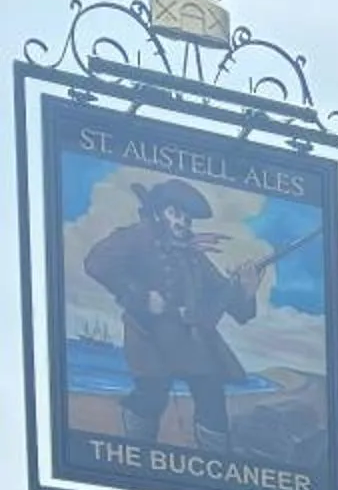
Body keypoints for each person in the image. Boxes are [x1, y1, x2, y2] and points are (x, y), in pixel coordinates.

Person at [83, 180, 262, 450]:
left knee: (212, 394)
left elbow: (229, 301)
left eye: (187, 217)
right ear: (159, 213)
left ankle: (219, 465)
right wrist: (142, 296)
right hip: (149, 335)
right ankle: (136, 455)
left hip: (191, 339)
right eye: (175, 213)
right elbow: (96, 262)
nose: (183, 222)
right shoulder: (137, 236)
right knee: (152, 395)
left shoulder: (193, 256)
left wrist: (246, 290)